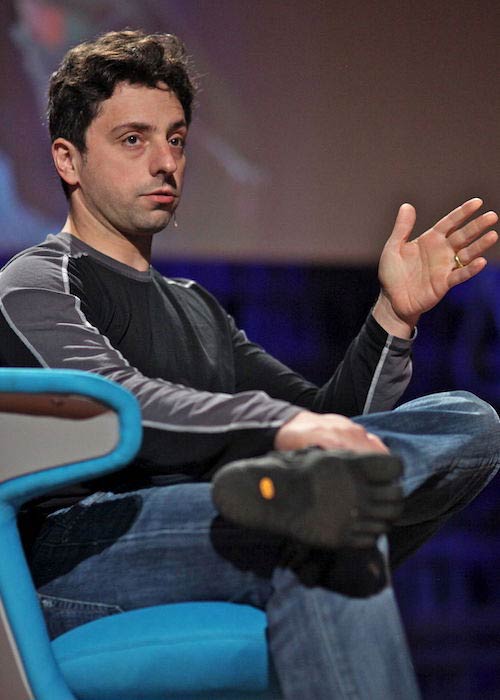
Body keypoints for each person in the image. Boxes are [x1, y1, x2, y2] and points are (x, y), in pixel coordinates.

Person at [0, 29, 499, 699]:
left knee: (470, 422)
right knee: (313, 515)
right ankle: (302, 496)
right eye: (133, 140)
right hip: (84, 554)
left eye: (175, 139)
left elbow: (334, 420)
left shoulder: (195, 308)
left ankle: (311, 494)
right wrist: (282, 430)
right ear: (68, 160)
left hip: (217, 523)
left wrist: (394, 316)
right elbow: (116, 401)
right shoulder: (36, 282)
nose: (164, 162)